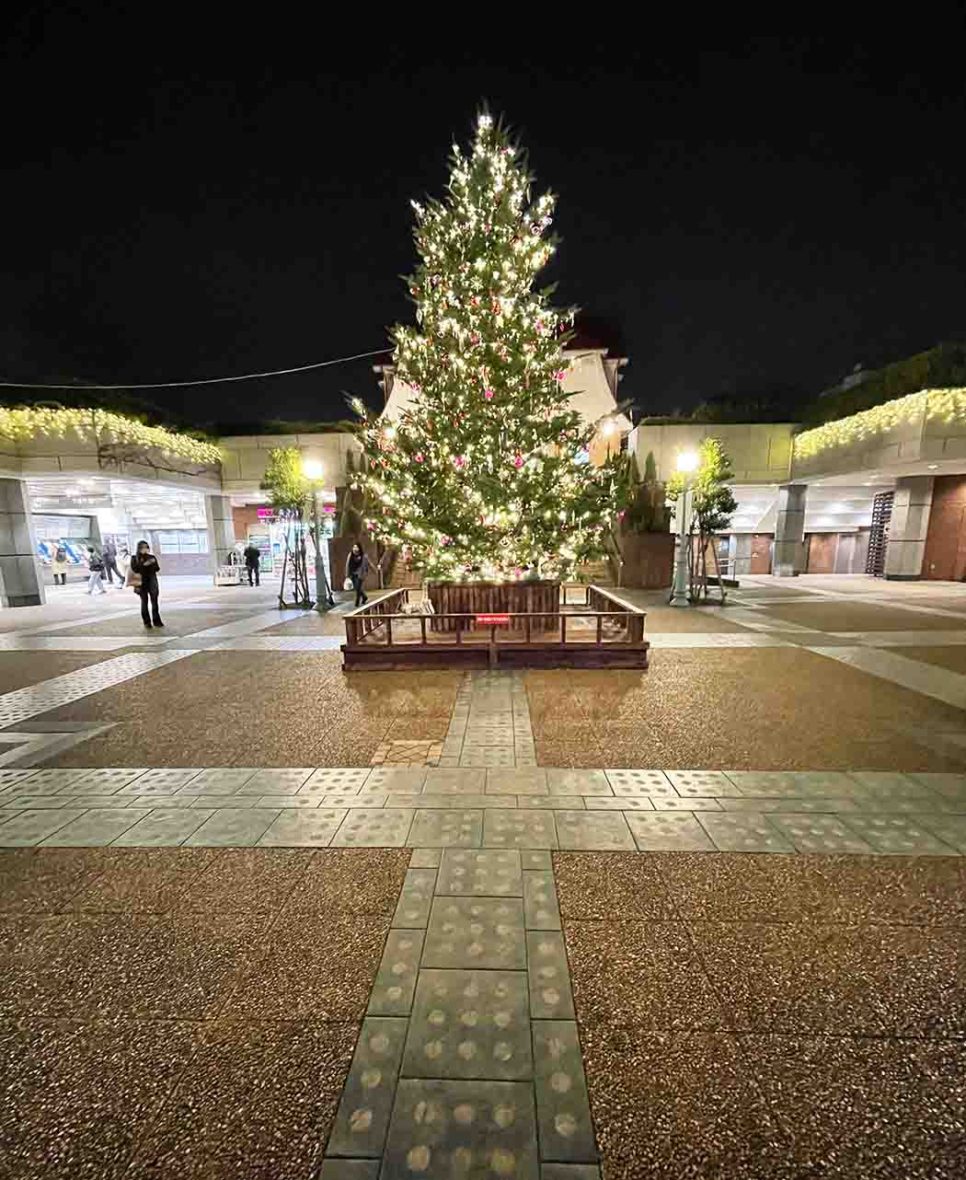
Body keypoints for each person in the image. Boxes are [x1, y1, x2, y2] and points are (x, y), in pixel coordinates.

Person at [130, 539, 164, 628]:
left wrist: (152, 563)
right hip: (141, 583)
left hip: (152, 581)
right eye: (143, 547)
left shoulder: (151, 557)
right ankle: (147, 622)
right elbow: (135, 569)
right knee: (144, 602)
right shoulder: (134, 558)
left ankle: (157, 621)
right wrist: (145, 564)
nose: (145, 549)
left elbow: (157, 568)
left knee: (154, 602)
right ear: (139, 548)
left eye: (146, 547)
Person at [346, 542, 369, 607]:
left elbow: (368, 564)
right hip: (352, 574)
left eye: (356, 547)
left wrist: (374, 570)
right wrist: (347, 574)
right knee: (356, 588)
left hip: (360, 574)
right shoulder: (350, 555)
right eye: (354, 547)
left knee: (358, 588)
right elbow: (347, 565)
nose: (355, 549)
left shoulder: (363, 556)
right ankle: (364, 597)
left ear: (359, 548)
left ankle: (357, 602)